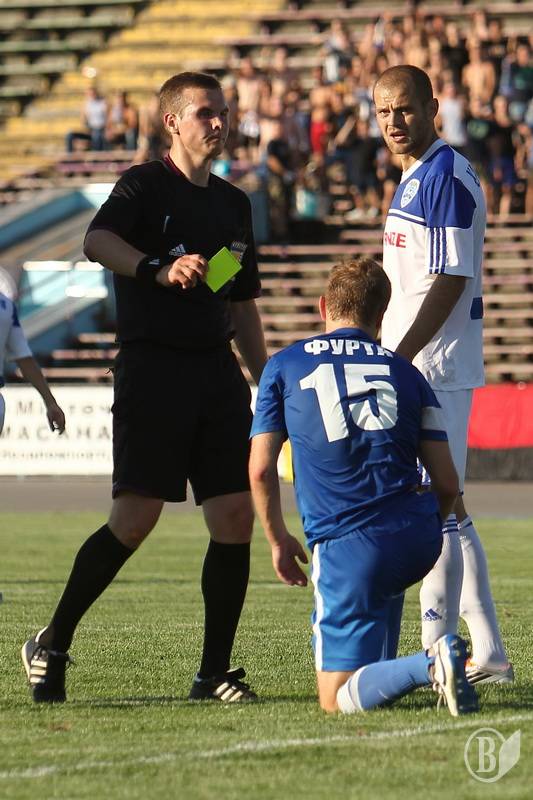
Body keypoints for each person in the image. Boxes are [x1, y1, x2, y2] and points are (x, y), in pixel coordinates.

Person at [21, 71, 268, 704]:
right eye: (206, 112)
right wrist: (157, 268)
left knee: (234, 517)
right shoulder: (143, 185)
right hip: (153, 368)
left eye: (223, 111)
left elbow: (239, 302)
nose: (219, 122)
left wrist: (266, 381)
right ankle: (52, 642)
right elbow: (96, 240)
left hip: (216, 372)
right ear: (172, 122)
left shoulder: (234, 205)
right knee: (134, 522)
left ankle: (213, 673)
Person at [249, 258, 479, 716]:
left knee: (334, 700)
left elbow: (260, 469)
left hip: (348, 544)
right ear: (381, 316)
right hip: (416, 536)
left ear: (323, 306)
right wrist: (423, 525)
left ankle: (432, 663)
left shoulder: (284, 365)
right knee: (371, 671)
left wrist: (277, 539)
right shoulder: (408, 373)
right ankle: (407, 668)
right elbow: (447, 481)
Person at [373, 64, 513, 684]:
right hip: (421, 363)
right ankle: (487, 652)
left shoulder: (444, 176)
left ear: (433, 107)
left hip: (434, 366)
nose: (394, 122)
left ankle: (438, 652)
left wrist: (400, 355)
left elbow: (451, 277)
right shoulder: (414, 176)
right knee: (449, 505)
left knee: (435, 508)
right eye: (383, 112)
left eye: (405, 108)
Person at [0, 291, 65, 437]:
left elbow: (24, 359)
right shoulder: (6, 306)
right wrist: (50, 402)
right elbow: (24, 359)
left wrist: (50, 403)